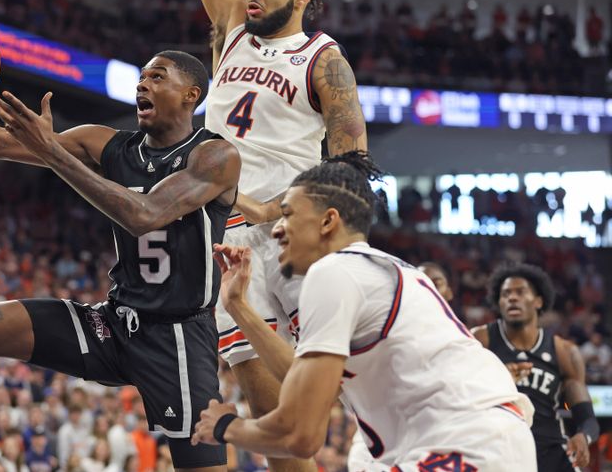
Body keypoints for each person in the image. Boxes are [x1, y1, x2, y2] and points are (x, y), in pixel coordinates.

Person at [0, 22, 240, 472]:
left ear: (191, 95)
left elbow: (144, 216)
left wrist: (53, 153)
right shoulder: (108, 143)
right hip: (115, 322)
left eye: (157, 77)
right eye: (141, 76)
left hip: (179, 336)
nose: (143, 83)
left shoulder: (216, 156)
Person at [191, 152, 536, 471]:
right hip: (484, 437)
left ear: (328, 221)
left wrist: (225, 427)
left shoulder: (335, 273)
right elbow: (305, 378)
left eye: (288, 215)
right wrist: (239, 306)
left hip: (464, 442)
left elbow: (301, 435)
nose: (277, 229)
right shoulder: (376, 269)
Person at [183, 0, 367, 471]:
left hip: (294, 234)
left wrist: (275, 208)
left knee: (325, 393)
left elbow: (353, 163)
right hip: (227, 237)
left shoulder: (324, 60)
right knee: (267, 411)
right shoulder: (232, 26)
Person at [472, 263, 599, 471]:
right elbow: (458, 395)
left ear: (538, 301)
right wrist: (500, 380)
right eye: (505, 294)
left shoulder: (564, 351)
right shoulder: (479, 340)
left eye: (520, 292)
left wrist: (583, 436)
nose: (512, 298)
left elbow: (586, 416)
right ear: (498, 302)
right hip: (496, 449)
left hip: (550, 452)